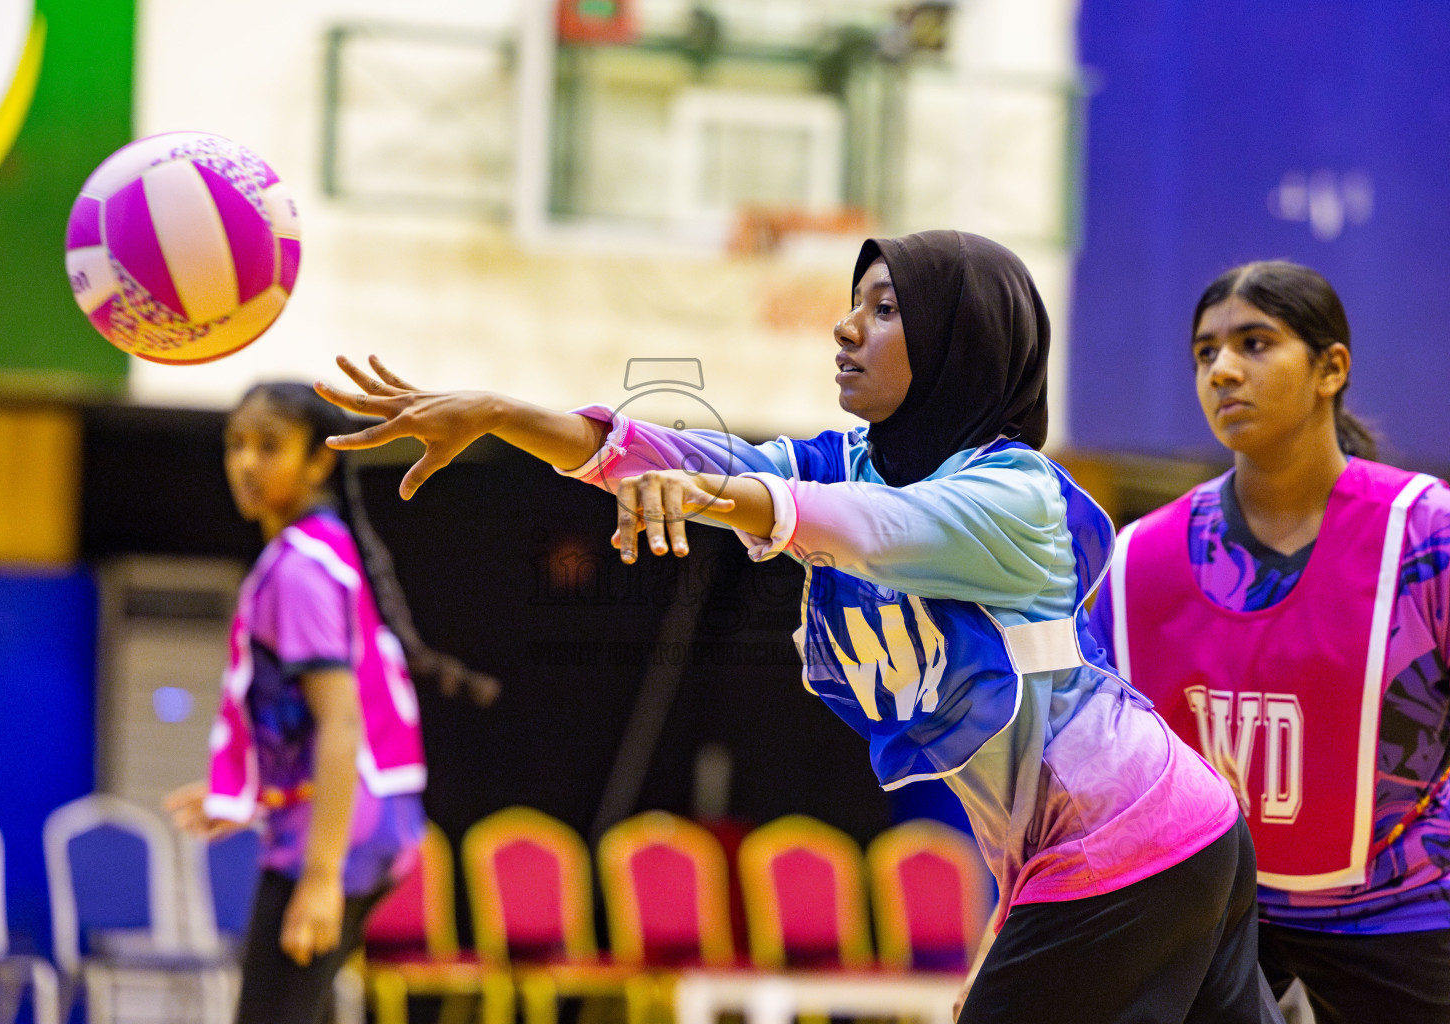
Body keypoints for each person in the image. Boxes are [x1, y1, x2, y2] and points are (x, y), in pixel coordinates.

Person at [316, 230, 1281, 1024]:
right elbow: (680, 449)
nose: (846, 326)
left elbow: (869, 531)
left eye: (887, 308)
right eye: (856, 302)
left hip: (1129, 838)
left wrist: (711, 494)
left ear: (962, 342)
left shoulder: (1011, 495)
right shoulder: (851, 458)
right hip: (1151, 836)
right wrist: (502, 415)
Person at [1089, 261, 1450, 1024]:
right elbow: (1086, 780)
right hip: (1211, 910)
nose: (1222, 370)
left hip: (1402, 907)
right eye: (1204, 353)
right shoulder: (1140, 558)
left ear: (1331, 368)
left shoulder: (1425, 536)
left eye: (1255, 343)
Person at [165, 382, 496, 1024]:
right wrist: (251, 790)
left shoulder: (299, 569)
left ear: (320, 460)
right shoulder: (326, 545)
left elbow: (340, 723)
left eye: (269, 446)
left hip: (336, 836)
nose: (247, 464)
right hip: (373, 821)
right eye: (236, 445)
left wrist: (321, 877)